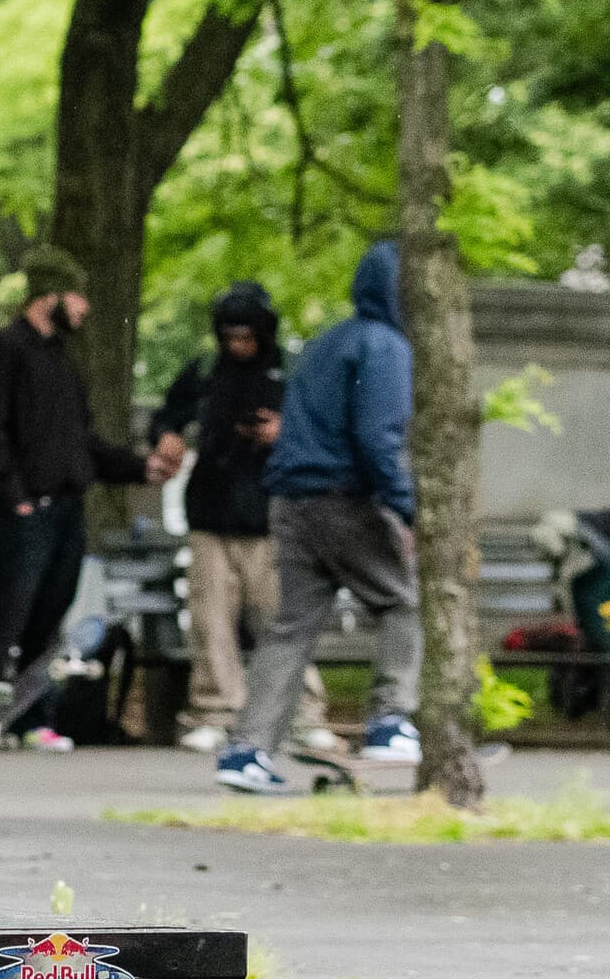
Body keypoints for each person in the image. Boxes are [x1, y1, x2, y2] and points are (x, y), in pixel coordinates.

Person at [219, 239, 421, 796]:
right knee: (401, 602)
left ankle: (246, 750)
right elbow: (378, 436)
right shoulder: (385, 347)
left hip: (288, 500)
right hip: (342, 498)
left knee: (291, 629)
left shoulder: (327, 342)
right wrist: (405, 507)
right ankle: (390, 720)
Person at [0, 245, 147, 747]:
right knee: (6, 614)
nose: (83, 308)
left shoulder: (63, 361)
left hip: (65, 509)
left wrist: (138, 468)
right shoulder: (4, 350)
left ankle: (28, 716)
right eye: (77, 295)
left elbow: (81, 443)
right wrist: (12, 495)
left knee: (49, 616)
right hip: (25, 509)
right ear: (49, 295)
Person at [146, 282, 331, 758]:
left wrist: (282, 434)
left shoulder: (292, 375)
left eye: (247, 336)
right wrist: (167, 436)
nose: (238, 345)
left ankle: (302, 714)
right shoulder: (205, 372)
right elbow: (167, 416)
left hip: (272, 515)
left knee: (280, 620)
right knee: (211, 621)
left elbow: (323, 433)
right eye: (230, 335)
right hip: (211, 511)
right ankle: (216, 712)